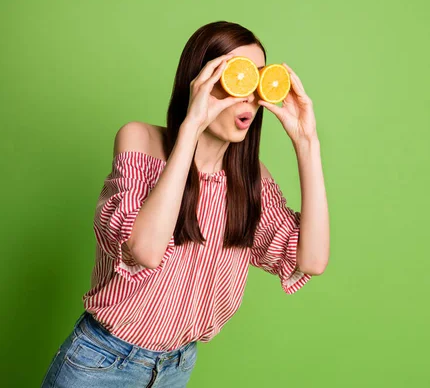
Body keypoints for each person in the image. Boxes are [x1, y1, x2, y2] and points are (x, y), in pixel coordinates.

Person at [41, 20, 329, 388]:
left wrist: (307, 143)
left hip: (176, 369)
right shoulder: (140, 142)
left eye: (256, 82)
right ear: (200, 81)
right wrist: (191, 126)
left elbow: (312, 259)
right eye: (234, 78)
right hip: (102, 362)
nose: (249, 98)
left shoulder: (250, 180)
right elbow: (144, 250)